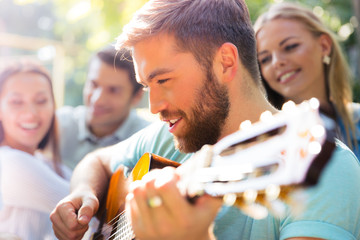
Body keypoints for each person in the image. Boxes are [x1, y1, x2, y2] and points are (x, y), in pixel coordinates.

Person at [50, 0, 360, 239]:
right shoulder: (170, 136)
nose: (154, 106)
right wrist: (83, 192)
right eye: (146, 86)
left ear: (225, 63)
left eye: (163, 81)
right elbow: (99, 160)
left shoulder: (326, 168)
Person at [254, 2, 360, 159]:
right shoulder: (262, 142)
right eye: (265, 59)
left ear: (324, 46)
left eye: (290, 47)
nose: (276, 62)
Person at [0, 59, 72, 239]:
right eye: (17, 102)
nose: (31, 112)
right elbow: (90, 210)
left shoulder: (47, 163)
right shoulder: (8, 163)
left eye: (41, 101)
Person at [57, 45, 152, 169]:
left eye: (113, 90)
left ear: (137, 96)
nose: (97, 100)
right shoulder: (59, 125)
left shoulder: (148, 142)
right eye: (93, 84)